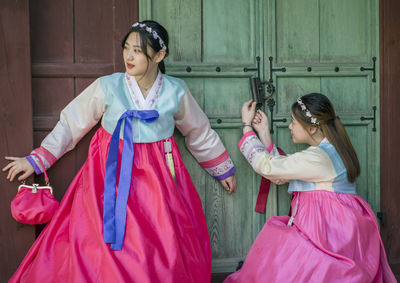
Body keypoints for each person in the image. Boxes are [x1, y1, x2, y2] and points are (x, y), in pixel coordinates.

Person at [3, 20, 237, 283]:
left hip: (158, 176)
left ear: (159, 55)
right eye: (126, 48)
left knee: (161, 243)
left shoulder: (175, 90)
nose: (128, 56)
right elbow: (71, 125)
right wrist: (37, 159)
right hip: (108, 175)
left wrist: (221, 168)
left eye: (137, 50)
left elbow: (198, 131)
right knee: (103, 246)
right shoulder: (109, 85)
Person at [224, 94, 396, 282]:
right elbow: (282, 172)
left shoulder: (319, 158)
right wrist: (264, 133)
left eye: (293, 122)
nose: (290, 126)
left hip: (324, 238)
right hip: (334, 233)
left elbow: (269, 167)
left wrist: (247, 128)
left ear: (312, 128)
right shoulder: (328, 151)